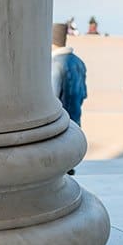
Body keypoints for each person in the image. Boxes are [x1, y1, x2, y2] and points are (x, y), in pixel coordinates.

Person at [51, 20, 87, 174]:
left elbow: (51, 98)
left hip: (59, 126)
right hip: (76, 121)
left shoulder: (55, 64)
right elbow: (84, 93)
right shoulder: (79, 63)